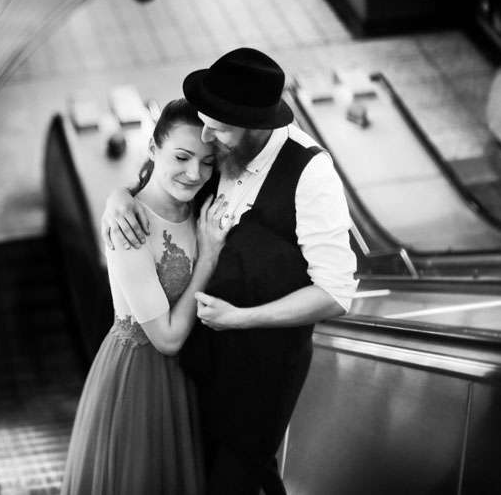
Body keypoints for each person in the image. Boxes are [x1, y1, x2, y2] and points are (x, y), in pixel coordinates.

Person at [102, 48, 358, 495]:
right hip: (197, 371)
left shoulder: (310, 174)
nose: (207, 135)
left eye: (218, 127)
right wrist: (119, 197)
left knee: (236, 478)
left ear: (254, 126)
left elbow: (336, 293)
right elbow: (162, 172)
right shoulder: (218, 148)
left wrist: (242, 318)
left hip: (261, 377)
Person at [62, 99, 231, 495]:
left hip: (189, 375)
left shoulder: (199, 207)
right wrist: (208, 258)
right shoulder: (129, 225)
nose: (195, 173)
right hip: (139, 377)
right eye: (182, 157)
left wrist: (118, 192)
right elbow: (167, 339)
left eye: (207, 162)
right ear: (153, 148)